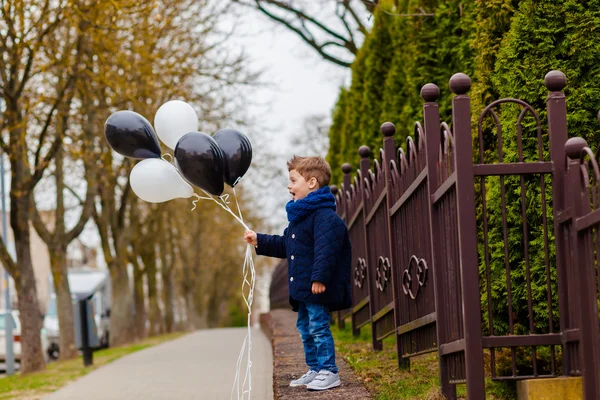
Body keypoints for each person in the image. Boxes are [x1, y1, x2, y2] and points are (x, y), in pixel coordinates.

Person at [244, 155, 352, 391]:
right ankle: (314, 368)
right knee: (305, 328)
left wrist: (319, 278)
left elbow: (327, 249)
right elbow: (286, 245)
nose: (289, 186)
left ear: (312, 183)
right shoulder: (299, 220)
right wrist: (259, 240)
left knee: (318, 327)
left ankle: (329, 370)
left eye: (293, 180)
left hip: (316, 286)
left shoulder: (325, 217)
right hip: (304, 288)